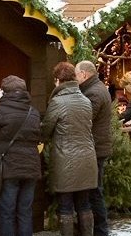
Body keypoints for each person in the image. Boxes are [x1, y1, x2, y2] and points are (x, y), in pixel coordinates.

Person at [0, 75, 43, 236]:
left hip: (8, 169)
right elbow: (39, 137)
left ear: (4, 92)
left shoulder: (0, 111)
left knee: (7, 213)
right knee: (25, 212)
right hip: (31, 168)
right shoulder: (33, 112)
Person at [42, 62, 98, 236]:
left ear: (58, 80)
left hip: (65, 161)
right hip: (87, 158)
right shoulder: (85, 100)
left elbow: (45, 131)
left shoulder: (57, 102)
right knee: (84, 204)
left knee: (65, 207)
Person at [75, 60, 113, 236]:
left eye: (76, 75)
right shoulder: (98, 88)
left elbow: (85, 119)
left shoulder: (93, 93)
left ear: (84, 74)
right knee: (95, 190)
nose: (75, 79)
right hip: (97, 147)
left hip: (95, 149)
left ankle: (100, 230)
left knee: (95, 192)